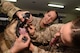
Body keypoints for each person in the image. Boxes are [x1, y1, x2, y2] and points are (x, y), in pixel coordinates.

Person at [7, 17, 80, 53]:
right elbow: (43, 37)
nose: (56, 35)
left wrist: (32, 48)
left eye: (62, 39)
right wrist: (34, 34)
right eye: (61, 29)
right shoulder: (55, 27)